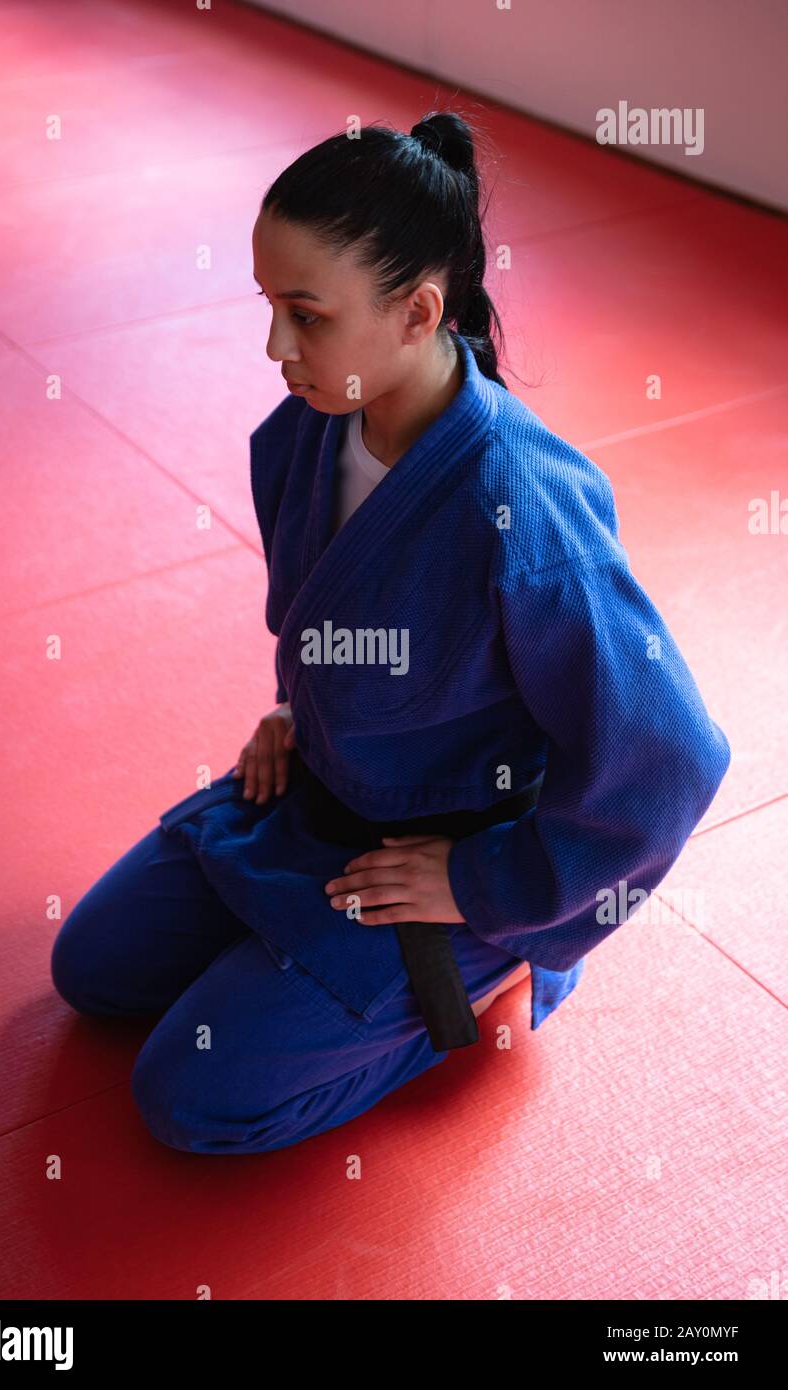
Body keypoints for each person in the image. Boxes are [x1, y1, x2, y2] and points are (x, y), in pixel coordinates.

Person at [51, 111, 731, 1154]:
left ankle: (489, 970)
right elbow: (349, 619)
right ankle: (303, 959)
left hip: (434, 861)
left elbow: (671, 756)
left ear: (416, 311)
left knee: (190, 1098)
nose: (274, 347)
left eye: (306, 315)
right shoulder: (312, 426)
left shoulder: (520, 505)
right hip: (315, 791)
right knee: (89, 970)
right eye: (271, 305)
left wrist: (480, 884)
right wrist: (296, 709)